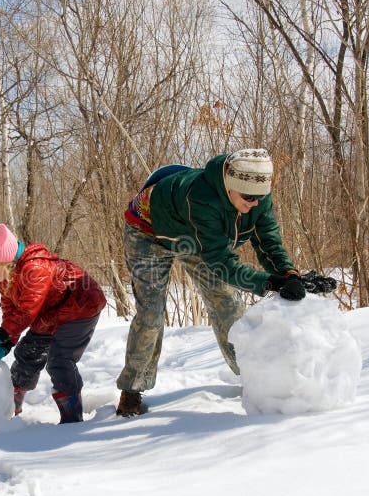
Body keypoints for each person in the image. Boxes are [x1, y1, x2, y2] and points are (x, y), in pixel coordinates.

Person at [117, 148, 322, 417]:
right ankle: (132, 388)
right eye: (248, 197)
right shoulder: (201, 198)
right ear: (229, 188)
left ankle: (253, 377)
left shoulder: (257, 197)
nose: (255, 203)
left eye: (261, 197)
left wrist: (289, 275)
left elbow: (268, 240)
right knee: (152, 311)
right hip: (148, 232)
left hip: (193, 236)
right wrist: (270, 282)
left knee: (226, 300)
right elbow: (222, 263)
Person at [0, 223, 106, 424]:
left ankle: (72, 419)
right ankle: (11, 409)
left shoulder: (35, 267)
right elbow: (11, 312)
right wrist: (8, 341)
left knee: (59, 360)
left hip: (80, 307)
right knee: (26, 353)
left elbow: (27, 311)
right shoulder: (5, 276)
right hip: (50, 314)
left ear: (3, 260)